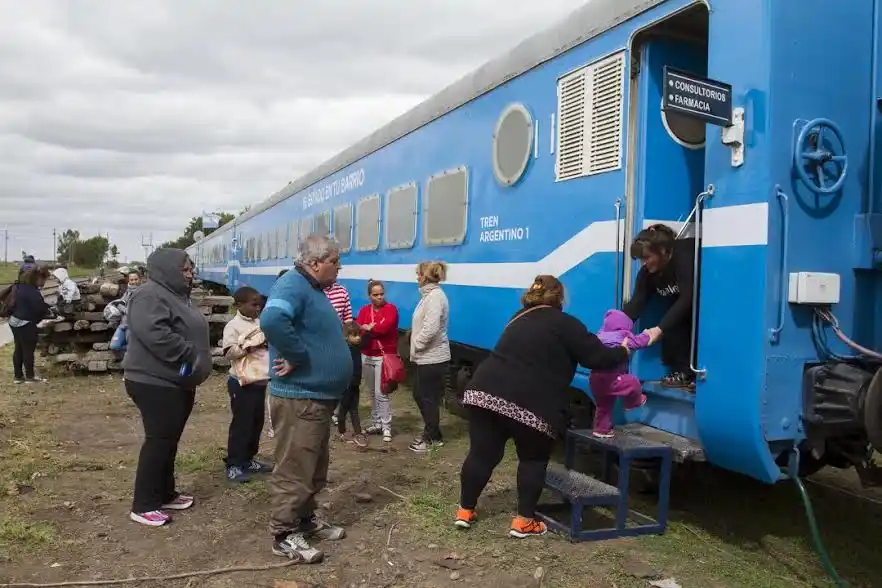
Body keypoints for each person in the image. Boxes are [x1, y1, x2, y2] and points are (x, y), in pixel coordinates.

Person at [455, 275, 630, 538]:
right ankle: (524, 521)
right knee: (533, 459)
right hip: (532, 402)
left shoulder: (518, 318)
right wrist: (624, 351)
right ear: (560, 298)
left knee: (482, 454)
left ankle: (465, 511)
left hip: (485, 392)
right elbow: (598, 357)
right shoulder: (567, 324)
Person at [260, 233, 352, 563]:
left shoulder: (312, 288)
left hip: (317, 398)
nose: (339, 268)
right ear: (315, 263)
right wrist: (296, 355)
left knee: (314, 467)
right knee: (295, 469)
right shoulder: (292, 285)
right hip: (300, 398)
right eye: (335, 262)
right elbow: (271, 319)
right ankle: (284, 534)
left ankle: (306, 520)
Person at [122, 248, 212, 528]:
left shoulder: (175, 295)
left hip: (175, 382)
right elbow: (155, 333)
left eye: (191, 268)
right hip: (154, 382)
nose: (191, 273)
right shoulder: (149, 294)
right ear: (168, 270)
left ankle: (165, 492)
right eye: (185, 269)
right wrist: (188, 352)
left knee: (169, 440)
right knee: (159, 441)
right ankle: (144, 504)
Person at [622, 224, 696, 390]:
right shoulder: (648, 273)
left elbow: (688, 297)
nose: (643, 263)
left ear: (662, 250)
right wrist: (615, 331)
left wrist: (659, 329)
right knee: (674, 321)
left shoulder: (683, 257)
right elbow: (636, 304)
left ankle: (689, 372)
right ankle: (680, 370)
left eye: (646, 258)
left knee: (680, 318)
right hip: (682, 307)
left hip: (702, 303)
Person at [222, 286, 273, 483]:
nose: (258, 308)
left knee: (255, 422)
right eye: (253, 305)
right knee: (241, 424)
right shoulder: (233, 326)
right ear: (239, 305)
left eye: (260, 305)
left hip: (259, 382)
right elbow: (229, 353)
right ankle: (234, 464)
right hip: (241, 383)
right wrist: (251, 346)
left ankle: (249, 459)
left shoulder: (260, 323)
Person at [408, 261, 451, 454]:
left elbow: (431, 328)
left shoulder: (434, 297)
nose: (417, 277)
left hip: (433, 357)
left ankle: (432, 437)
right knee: (421, 394)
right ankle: (434, 433)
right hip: (427, 357)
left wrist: (416, 345)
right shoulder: (429, 295)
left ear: (425, 276)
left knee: (427, 398)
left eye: (419, 274)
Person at [588, 309, 651, 438]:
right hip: (611, 379)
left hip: (594, 379)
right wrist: (648, 334)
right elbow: (640, 342)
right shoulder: (623, 336)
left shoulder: (599, 336)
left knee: (603, 406)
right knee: (633, 383)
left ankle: (601, 429)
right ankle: (633, 402)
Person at [356, 280, 399, 443]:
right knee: (372, 392)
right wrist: (367, 327)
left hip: (383, 356)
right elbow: (359, 328)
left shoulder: (391, 309)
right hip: (366, 354)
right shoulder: (364, 310)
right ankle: (377, 423)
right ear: (369, 295)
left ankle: (386, 426)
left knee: (382, 392)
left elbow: (384, 328)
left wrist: (370, 328)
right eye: (375, 295)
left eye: (381, 294)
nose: (379, 297)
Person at [7, 266, 52, 384]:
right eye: (44, 280)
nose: (44, 283)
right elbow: (39, 309)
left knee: (19, 349)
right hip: (26, 323)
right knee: (28, 350)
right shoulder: (33, 291)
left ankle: (18, 377)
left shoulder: (19, 286)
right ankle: (30, 377)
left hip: (14, 321)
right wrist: (50, 311)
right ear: (37, 278)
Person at [336, 321, 368, 448]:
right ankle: (342, 431)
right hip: (346, 384)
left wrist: (368, 331)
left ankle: (358, 432)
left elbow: (366, 341)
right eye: (354, 335)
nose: (358, 337)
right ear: (346, 336)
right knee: (343, 409)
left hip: (355, 384)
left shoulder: (357, 347)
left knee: (354, 409)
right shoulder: (344, 349)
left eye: (359, 335)